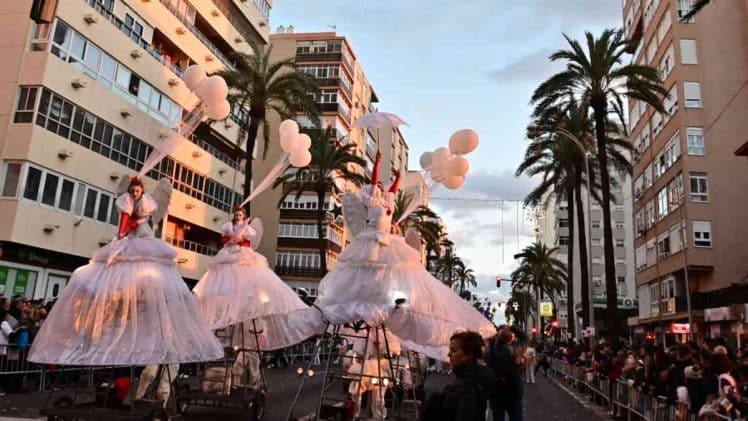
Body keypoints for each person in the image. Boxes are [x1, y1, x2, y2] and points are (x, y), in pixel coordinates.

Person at [306, 151, 496, 360]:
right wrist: (377, 162)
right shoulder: (372, 202)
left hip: (385, 240)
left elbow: (394, 189)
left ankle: (380, 302)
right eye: (376, 187)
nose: (379, 188)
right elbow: (374, 179)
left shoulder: (387, 202)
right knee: (367, 271)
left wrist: (397, 177)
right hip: (371, 240)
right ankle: (364, 302)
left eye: (380, 188)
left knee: (386, 274)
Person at [28, 176, 223, 366]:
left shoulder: (146, 203)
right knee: (115, 268)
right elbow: (123, 221)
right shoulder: (126, 202)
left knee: (143, 270)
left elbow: (139, 221)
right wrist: (123, 230)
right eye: (132, 191)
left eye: (137, 191)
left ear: (142, 192)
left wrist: (133, 224)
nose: (135, 194)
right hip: (129, 236)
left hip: (142, 234)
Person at [420, 331, 496, 421]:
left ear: (468, 355)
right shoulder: (466, 379)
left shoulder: (468, 386)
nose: (448, 355)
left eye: (453, 351)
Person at [486, 325, 523, 421]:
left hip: (496, 391)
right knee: (516, 417)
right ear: (510, 337)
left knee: (498, 417)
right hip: (513, 390)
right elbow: (524, 338)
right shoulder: (515, 350)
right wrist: (513, 327)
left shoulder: (490, 351)